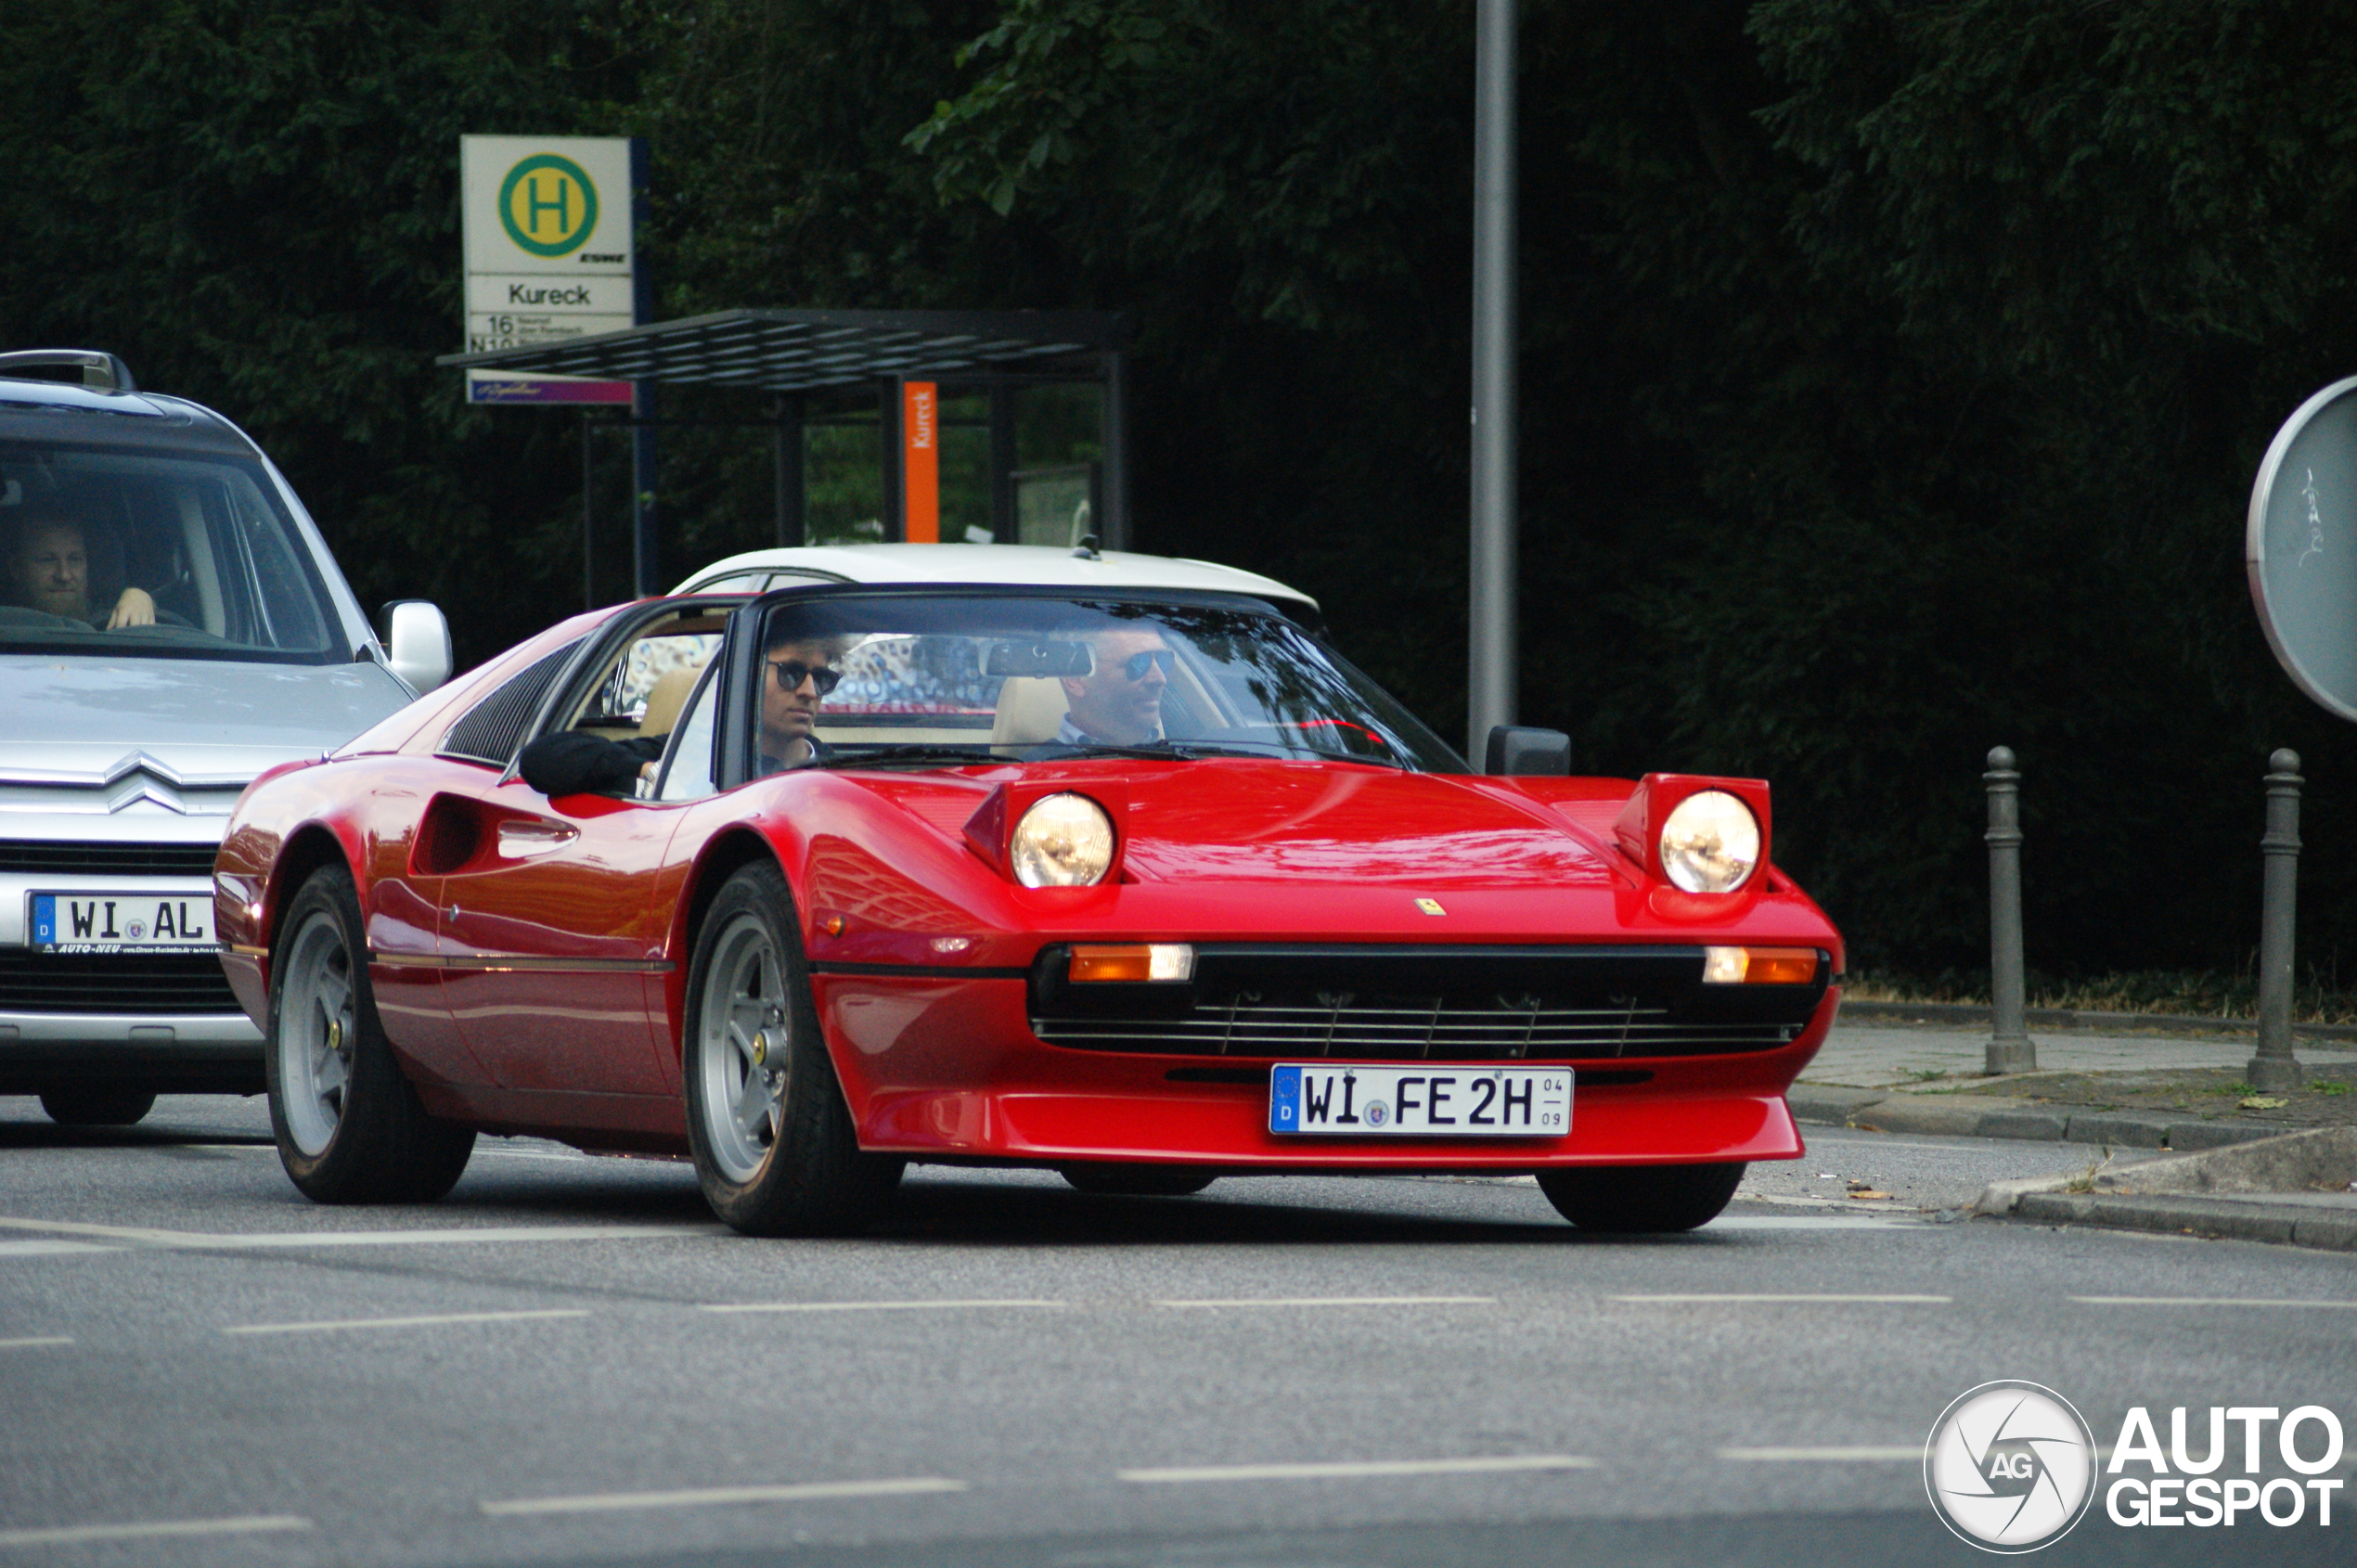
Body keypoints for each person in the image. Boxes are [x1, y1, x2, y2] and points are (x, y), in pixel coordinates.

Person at [515, 624, 844, 798]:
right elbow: (539, 760)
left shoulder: (842, 772)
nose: (809, 692)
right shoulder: (687, 753)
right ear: (745, 675)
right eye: (791, 673)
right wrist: (650, 771)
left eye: (823, 679)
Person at [4, 508, 156, 628]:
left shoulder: (112, 616)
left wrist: (140, 599)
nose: (64, 575)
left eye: (74, 559)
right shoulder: (6, 628)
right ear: (17, 568)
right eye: (48, 560)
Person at [1056, 624, 1172, 748]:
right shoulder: (1045, 764)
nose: (1160, 679)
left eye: (1162, 660)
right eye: (1137, 663)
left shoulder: (1185, 754)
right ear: (1076, 679)